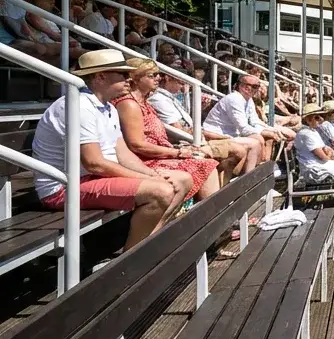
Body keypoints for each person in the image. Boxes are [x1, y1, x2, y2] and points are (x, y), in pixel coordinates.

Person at [30, 50, 189, 251]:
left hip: (90, 179)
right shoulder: (78, 105)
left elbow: (122, 154)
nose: (128, 79)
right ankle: (131, 261)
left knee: (182, 179)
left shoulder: (108, 108)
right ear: (100, 77)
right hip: (63, 188)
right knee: (160, 192)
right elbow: (94, 162)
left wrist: (152, 174)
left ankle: (147, 243)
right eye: (122, 74)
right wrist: (152, 180)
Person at [112, 60, 222, 203]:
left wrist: (179, 149)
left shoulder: (144, 102)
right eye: (152, 75)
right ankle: (213, 217)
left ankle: (214, 214)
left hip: (158, 155)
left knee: (205, 158)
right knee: (206, 164)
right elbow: (137, 145)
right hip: (143, 161)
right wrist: (177, 152)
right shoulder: (129, 104)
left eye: (158, 74)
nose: (158, 78)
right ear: (136, 78)